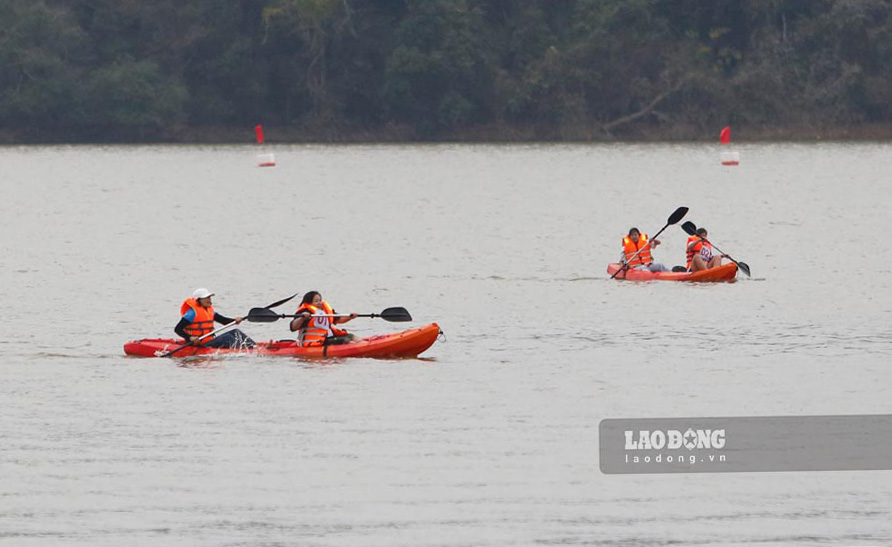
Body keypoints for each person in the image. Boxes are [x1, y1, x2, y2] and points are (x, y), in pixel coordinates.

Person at [175, 288, 255, 348]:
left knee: (236, 332)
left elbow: (224, 321)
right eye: (206, 298)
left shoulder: (210, 311)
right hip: (200, 343)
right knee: (226, 338)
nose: (209, 300)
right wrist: (190, 337)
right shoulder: (191, 313)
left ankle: (254, 347)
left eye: (209, 297)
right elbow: (177, 329)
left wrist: (236, 320)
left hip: (210, 340)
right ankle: (244, 350)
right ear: (198, 300)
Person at [289, 291, 358, 346]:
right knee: (345, 341)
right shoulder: (305, 311)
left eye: (320, 300)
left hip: (327, 338)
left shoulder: (324, 311)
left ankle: (363, 347)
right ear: (309, 302)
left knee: (351, 336)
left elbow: (339, 319)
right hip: (315, 342)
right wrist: (302, 318)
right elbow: (293, 327)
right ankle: (357, 350)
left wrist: (350, 317)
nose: (319, 303)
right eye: (316, 301)